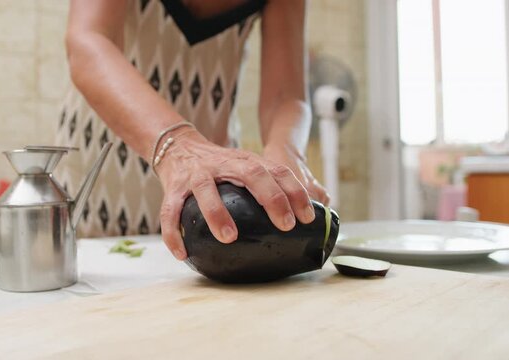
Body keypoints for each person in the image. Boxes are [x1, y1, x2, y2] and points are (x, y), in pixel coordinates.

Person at [55, 0, 329, 260]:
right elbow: (89, 41)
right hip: (101, 179)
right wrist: (176, 145)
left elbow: (285, 96)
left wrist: (286, 153)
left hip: (210, 198)